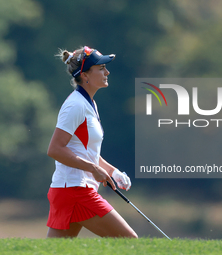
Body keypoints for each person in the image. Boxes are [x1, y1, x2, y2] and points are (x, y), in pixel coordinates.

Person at [46, 46, 138, 238]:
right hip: (74, 190)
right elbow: (55, 149)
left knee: (56, 251)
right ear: (85, 75)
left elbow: (87, 151)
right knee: (129, 241)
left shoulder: (89, 103)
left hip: (69, 190)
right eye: (101, 68)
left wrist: (113, 171)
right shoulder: (75, 105)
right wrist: (93, 169)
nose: (107, 72)